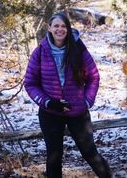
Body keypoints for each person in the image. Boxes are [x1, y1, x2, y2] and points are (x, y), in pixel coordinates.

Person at [24, 12, 112, 178]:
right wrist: (47, 102)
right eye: (56, 26)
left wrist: (86, 102)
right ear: (49, 28)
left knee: (90, 153)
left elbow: (93, 77)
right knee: (54, 158)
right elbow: (30, 83)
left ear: (68, 29)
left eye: (64, 26)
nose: (60, 29)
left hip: (78, 112)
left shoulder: (79, 49)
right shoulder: (40, 52)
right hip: (50, 113)